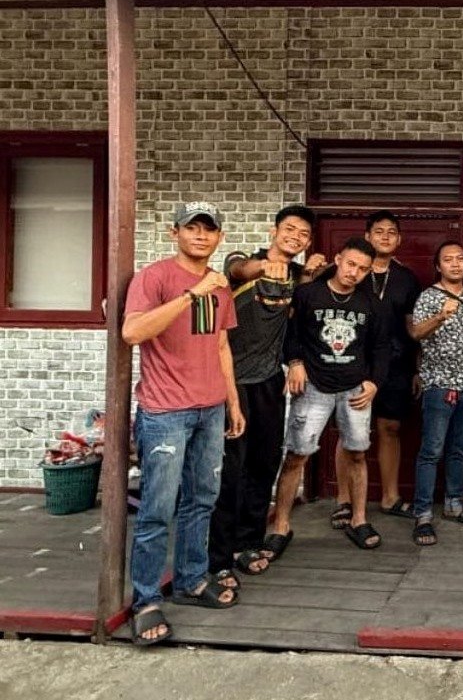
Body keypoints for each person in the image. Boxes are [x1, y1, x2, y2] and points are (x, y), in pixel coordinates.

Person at [122, 201, 246, 645]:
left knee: (202, 499)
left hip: (210, 408)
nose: (201, 235)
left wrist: (232, 403)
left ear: (219, 238)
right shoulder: (154, 278)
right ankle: (145, 599)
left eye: (209, 229)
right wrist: (192, 294)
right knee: (157, 508)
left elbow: (221, 346)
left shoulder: (220, 286)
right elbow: (133, 332)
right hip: (165, 411)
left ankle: (192, 579)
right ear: (174, 232)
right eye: (192, 227)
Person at [208, 204, 325, 587]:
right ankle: (219, 557)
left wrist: (312, 272)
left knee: (263, 464)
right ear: (274, 231)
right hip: (231, 382)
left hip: (270, 382)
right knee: (230, 470)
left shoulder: (299, 277)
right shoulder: (242, 261)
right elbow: (239, 270)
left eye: (303, 234)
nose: (296, 237)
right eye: (290, 229)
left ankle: (248, 543)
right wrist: (263, 267)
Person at [269, 237, 390, 554]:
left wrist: (374, 382)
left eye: (362, 269)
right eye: (350, 264)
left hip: (355, 388)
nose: (354, 272)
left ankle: (359, 520)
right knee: (296, 455)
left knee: (358, 454)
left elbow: (381, 347)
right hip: (313, 386)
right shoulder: (308, 294)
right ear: (338, 259)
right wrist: (295, 362)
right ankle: (280, 525)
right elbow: (290, 335)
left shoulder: (371, 304)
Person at [331, 211, 422, 529]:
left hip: (396, 365)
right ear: (367, 236)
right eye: (379, 231)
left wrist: (416, 368)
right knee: (349, 430)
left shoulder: (407, 278)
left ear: (399, 239)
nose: (385, 236)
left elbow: (412, 328)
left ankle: (390, 497)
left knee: (390, 428)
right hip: (351, 362)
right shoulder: (349, 270)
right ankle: (343, 500)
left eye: (392, 232)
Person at [408, 240, 463, 546]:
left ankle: (454, 504)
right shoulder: (428, 297)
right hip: (439, 385)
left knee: (460, 449)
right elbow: (416, 333)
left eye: (460, 258)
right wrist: (441, 316)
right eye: (448, 260)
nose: (455, 264)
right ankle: (423, 513)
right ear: (438, 266)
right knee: (431, 451)